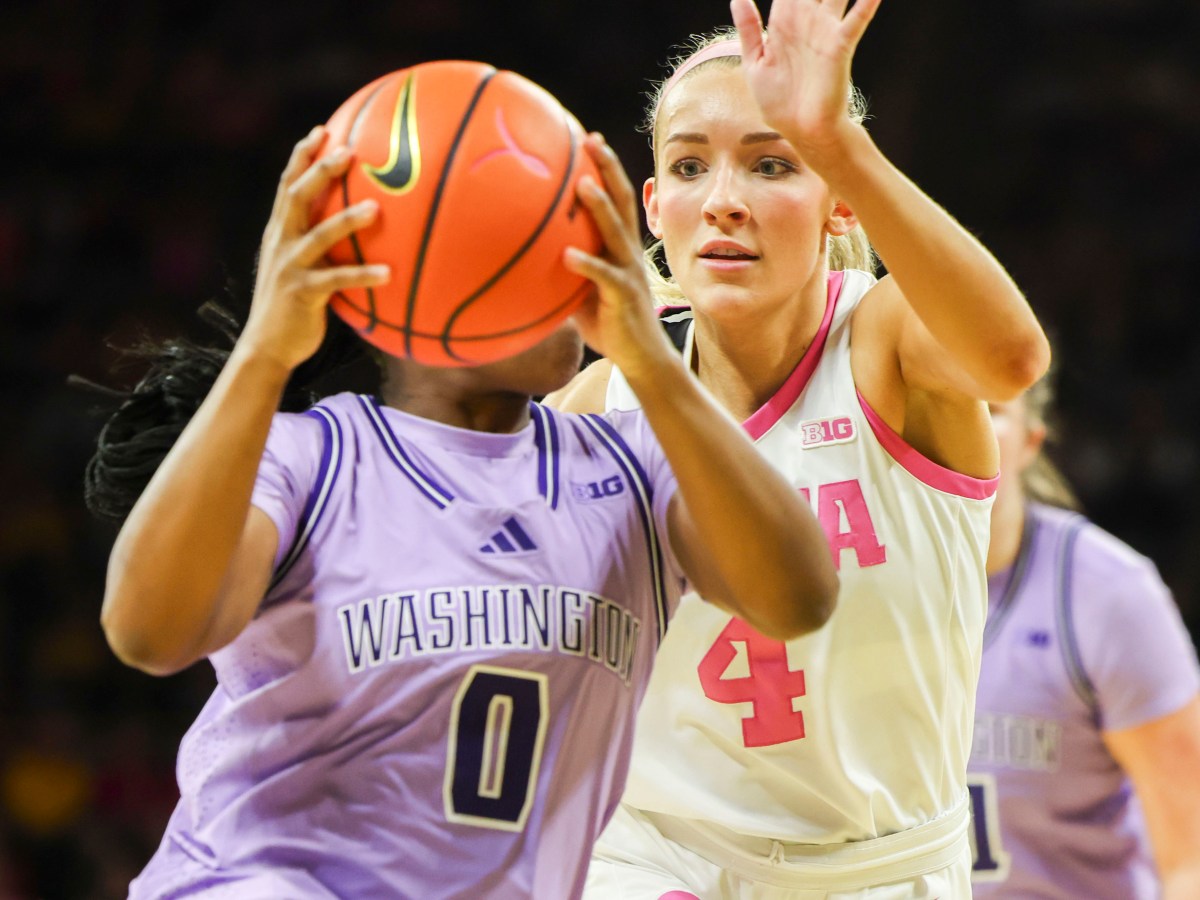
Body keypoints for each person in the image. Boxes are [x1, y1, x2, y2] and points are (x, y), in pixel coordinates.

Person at [87, 116, 840, 898]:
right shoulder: (309, 457)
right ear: (418, 281)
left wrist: (647, 356)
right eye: (525, 246)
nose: (569, 268)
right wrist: (265, 352)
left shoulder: (633, 466)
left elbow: (798, 597)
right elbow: (148, 632)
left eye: (570, 239)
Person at [545, 0, 1051, 894]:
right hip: (656, 853)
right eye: (691, 167)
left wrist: (834, 134)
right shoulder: (602, 398)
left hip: (881, 866)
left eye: (773, 164)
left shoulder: (884, 343)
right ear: (655, 207)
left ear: (835, 200)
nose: (726, 201)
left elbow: (1011, 360)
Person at [968, 378, 1200, 899]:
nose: (968, 425)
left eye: (993, 409)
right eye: (947, 403)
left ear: (1031, 441)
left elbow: (1191, 858)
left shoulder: (1108, 593)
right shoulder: (863, 585)